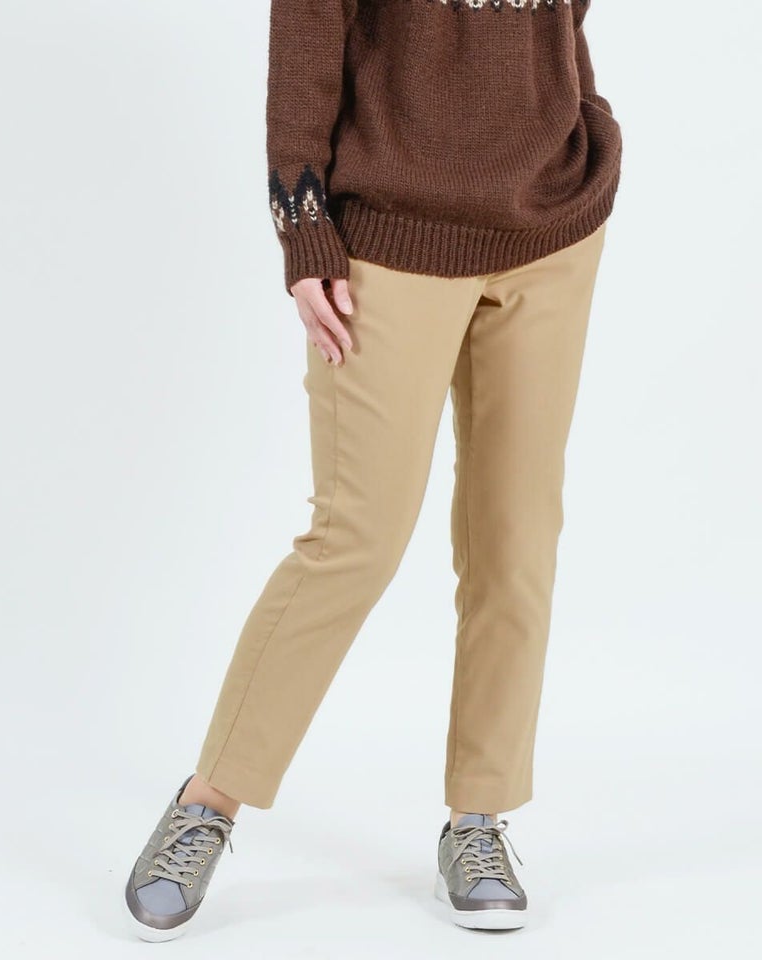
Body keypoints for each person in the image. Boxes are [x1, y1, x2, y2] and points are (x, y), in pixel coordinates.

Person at [124, 0, 622, 941]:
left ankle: (479, 819)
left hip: (550, 230)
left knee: (517, 537)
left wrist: (579, 117)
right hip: (389, 237)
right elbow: (305, 43)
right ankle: (208, 802)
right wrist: (303, 228)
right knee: (356, 537)